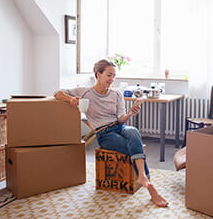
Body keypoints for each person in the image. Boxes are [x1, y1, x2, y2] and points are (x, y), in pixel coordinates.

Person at [54, 59, 168, 207]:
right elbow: (57, 92)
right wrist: (70, 99)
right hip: (104, 134)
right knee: (134, 148)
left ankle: (142, 177)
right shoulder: (85, 92)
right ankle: (152, 190)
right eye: (109, 75)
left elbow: (121, 120)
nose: (112, 79)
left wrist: (130, 114)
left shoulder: (116, 94)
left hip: (119, 127)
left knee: (133, 131)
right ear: (98, 74)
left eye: (114, 76)